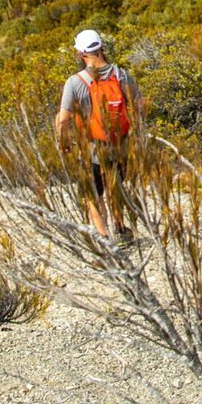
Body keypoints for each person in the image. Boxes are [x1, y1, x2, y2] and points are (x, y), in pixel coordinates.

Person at [55, 28, 141, 243]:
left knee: (93, 195)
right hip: (120, 144)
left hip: (91, 148)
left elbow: (63, 118)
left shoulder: (75, 82)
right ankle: (121, 231)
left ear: (80, 53)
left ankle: (103, 239)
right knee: (116, 187)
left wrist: (63, 141)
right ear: (102, 47)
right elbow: (139, 105)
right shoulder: (121, 75)